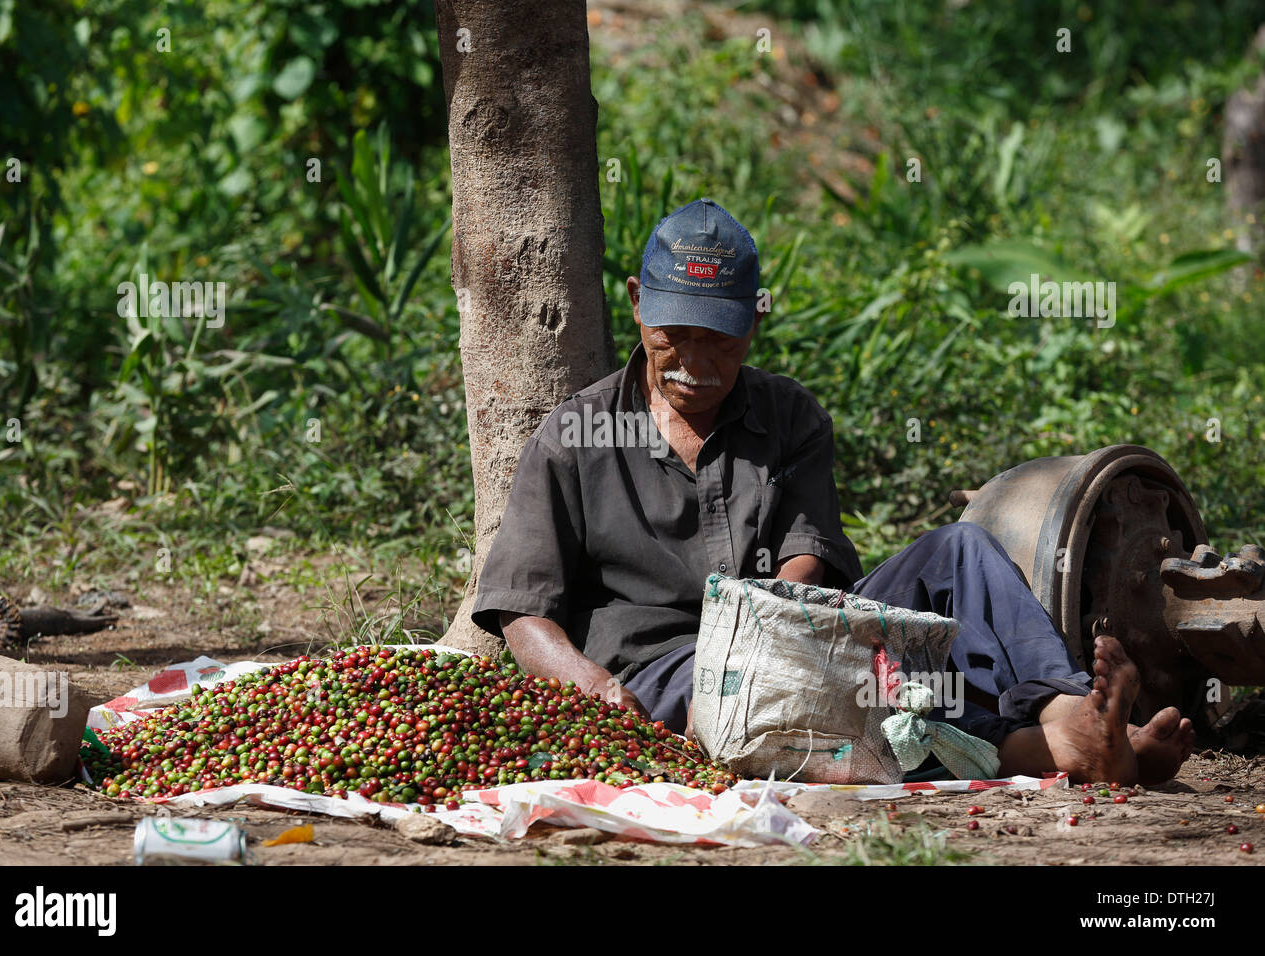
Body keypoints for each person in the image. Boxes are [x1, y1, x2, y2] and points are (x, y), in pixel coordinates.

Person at [470, 198, 1194, 784]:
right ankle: (1058, 751)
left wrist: (794, 632)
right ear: (636, 304)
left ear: (756, 317)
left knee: (961, 549)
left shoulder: (790, 416)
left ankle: (1070, 709)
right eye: (675, 336)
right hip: (671, 674)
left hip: (799, 624)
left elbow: (806, 556)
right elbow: (523, 613)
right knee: (812, 716)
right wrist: (596, 690)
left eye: (721, 340)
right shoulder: (576, 435)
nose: (695, 363)